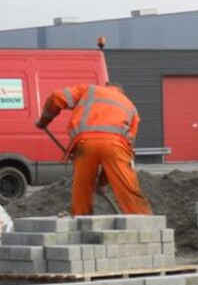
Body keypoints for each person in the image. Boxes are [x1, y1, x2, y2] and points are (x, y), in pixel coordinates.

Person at [36, 83, 153, 216]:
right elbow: (128, 147)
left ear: (106, 86)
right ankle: (147, 224)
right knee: (128, 191)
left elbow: (56, 96)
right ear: (122, 93)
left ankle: (82, 225)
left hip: (85, 144)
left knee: (82, 191)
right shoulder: (130, 107)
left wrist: (44, 121)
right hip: (115, 146)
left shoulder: (90, 90)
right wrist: (102, 183)